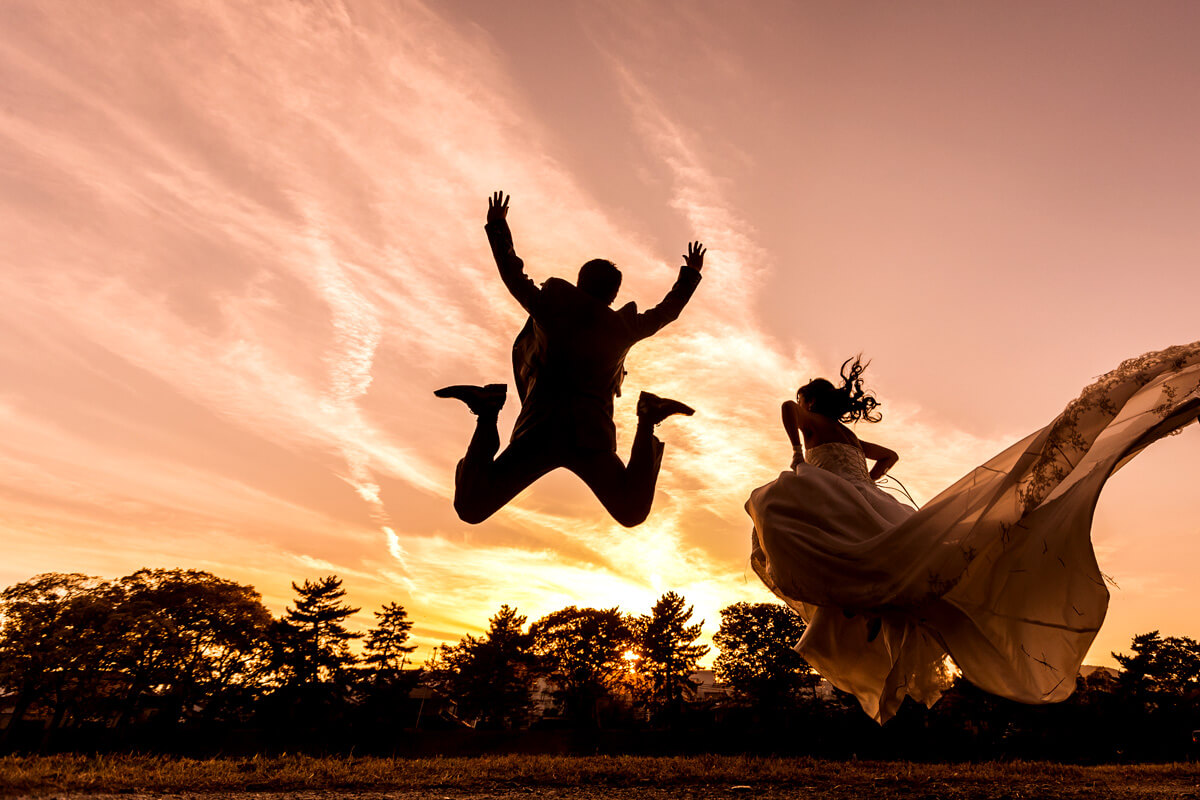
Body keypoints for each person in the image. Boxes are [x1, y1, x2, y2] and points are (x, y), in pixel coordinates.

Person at [747, 345, 1200, 723]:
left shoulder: (812, 420)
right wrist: (872, 475)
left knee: (778, 510)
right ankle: (864, 611)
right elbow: (890, 454)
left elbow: (787, 409)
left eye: (804, 399)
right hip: (861, 494)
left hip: (836, 492)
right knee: (874, 562)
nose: (800, 405)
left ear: (811, 403)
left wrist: (797, 456)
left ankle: (859, 609)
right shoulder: (846, 434)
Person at [436, 191, 705, 527]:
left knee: (472, 506)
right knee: (632, 511)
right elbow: (668, 311)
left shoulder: (551, 305)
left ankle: (488, 410)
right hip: (589, 440)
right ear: (614, 295)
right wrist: (690, 274)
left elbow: (512, 275)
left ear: (580, 282)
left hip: (540, 431)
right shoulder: (622, 326)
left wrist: (498, 227)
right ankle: (647, 417)